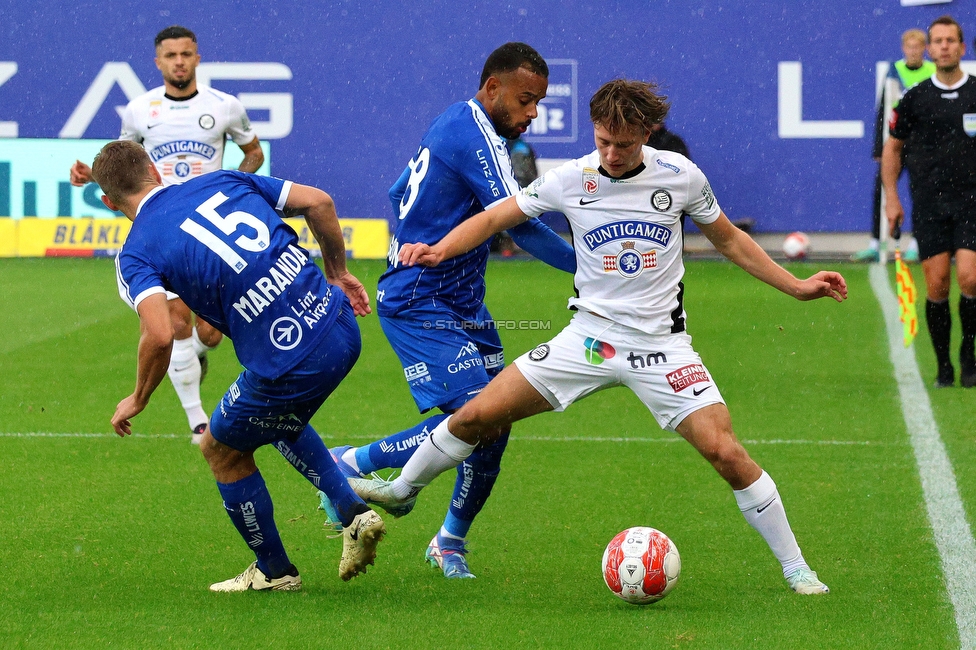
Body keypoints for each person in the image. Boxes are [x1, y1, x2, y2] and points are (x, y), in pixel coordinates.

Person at [355, 79, 849, 595]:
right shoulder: (572, 178)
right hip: (586, 340)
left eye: (625, 144)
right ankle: (403, 489)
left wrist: (796, 286)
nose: (612, 154)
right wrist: (438, 250)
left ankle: (796, 568)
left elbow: (728, 238)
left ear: (647, 133)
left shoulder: (681, 177)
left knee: (726, 453)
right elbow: (496, 217)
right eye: (603, 141)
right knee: (477, 414)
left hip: (662, 349)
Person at [319, 43, 576, 580]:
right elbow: (519, 223)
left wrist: (420, 232)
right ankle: (353, 463)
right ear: (491, 90)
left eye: (540, 103)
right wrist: (589, 269)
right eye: (527, 101)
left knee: (494, 423)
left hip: (461, 300)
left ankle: (448, 542)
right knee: (480, 414)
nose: (533, 114)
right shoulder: (473, 131)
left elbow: (397, 192)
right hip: (419, 298)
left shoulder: (466, 128)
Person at [92, 140, 385, 591]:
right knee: (273, 418)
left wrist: (138, 397)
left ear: (110, 202)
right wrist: (337, 272)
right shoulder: (221, 179)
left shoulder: (135, 254)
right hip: (341, 326)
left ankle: (274, 571)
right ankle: (353, 514)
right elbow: (319, 202)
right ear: (154, 168)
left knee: (219, 448)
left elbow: (160, 333)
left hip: (290, 361)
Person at [70, 25, 266, 444]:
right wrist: (91, 176)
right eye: (171, 55)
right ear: (158, 62)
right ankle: (198, 421)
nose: (179, 61)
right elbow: (120, 167)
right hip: (162, 230)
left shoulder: (225, 106)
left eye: (186, 54)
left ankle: (187, 357)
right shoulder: (140, 111)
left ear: (197, 58)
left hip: (207, 227)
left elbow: (254, 153)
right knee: (175, 323)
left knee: (210, 333)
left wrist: (229, 186)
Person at [883, 15, 976, 388]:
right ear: (929, 48)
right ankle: (944, 366)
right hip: (931, 204)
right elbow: (894, 148)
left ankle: (969, 355)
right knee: (937, 285)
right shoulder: (916, 98)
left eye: (950, 40)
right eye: (937, 41)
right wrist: (892, 197)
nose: (943, 46)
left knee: (970, 277)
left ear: (962, 47)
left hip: (972, 202)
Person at [853, 28, 935, 263]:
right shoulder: (893, 71)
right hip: (896, 142)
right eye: (909, 47)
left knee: (921, 193)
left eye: (918, 47)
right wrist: (879, 147)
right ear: (904, 49)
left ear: (924, 49)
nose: (913, 51)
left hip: (922, 143)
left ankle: (917, 243)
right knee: (882, 189)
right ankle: (876, 243)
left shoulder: (932, 71)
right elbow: (883, 109)